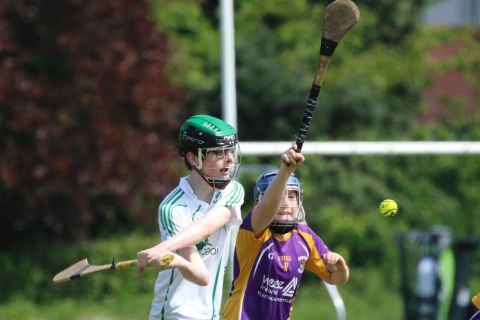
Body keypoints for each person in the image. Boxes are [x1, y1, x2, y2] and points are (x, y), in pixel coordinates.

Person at [222, 144, 349, 320]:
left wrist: (341, 266)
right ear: (257, 204)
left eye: (291, 196)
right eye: (280, 196)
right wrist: (285, 171)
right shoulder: (253, 232)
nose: (285, 203)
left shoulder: (305, 237)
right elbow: (267, 208)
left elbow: (336, 278)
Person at [136, 114, 244, 320]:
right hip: (175, 315)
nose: (230, 158)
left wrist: (163, 248)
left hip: (210, 315)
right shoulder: (172, 209)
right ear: (193, 158)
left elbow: (207, 226)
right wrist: (177, 261)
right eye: (219, 153)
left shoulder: (232, 190)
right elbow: (201, 276)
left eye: (229, 151)